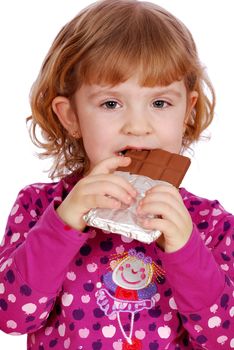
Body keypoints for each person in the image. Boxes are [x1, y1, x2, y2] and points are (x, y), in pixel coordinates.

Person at [0, 0, 233, 349]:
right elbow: (13, 318)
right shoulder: (39, 206)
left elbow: (223, 338)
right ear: (71, 116)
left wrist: (186, 248)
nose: (138, 127)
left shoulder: (210, 223)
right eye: (111, 103)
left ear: (188, 110)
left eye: (160, 103)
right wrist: (63, 224)